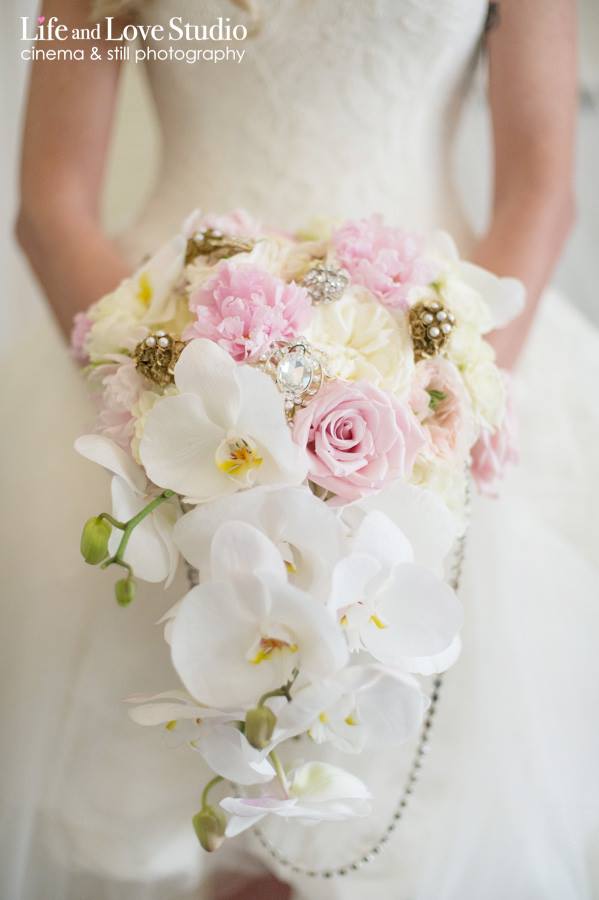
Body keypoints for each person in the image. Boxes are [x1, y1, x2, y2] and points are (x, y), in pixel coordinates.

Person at [4, 1, 598, 898]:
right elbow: (49, 206)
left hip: (439, 366)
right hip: (164, 370)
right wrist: (166, 415)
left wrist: (436, 411)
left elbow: (539, 193)